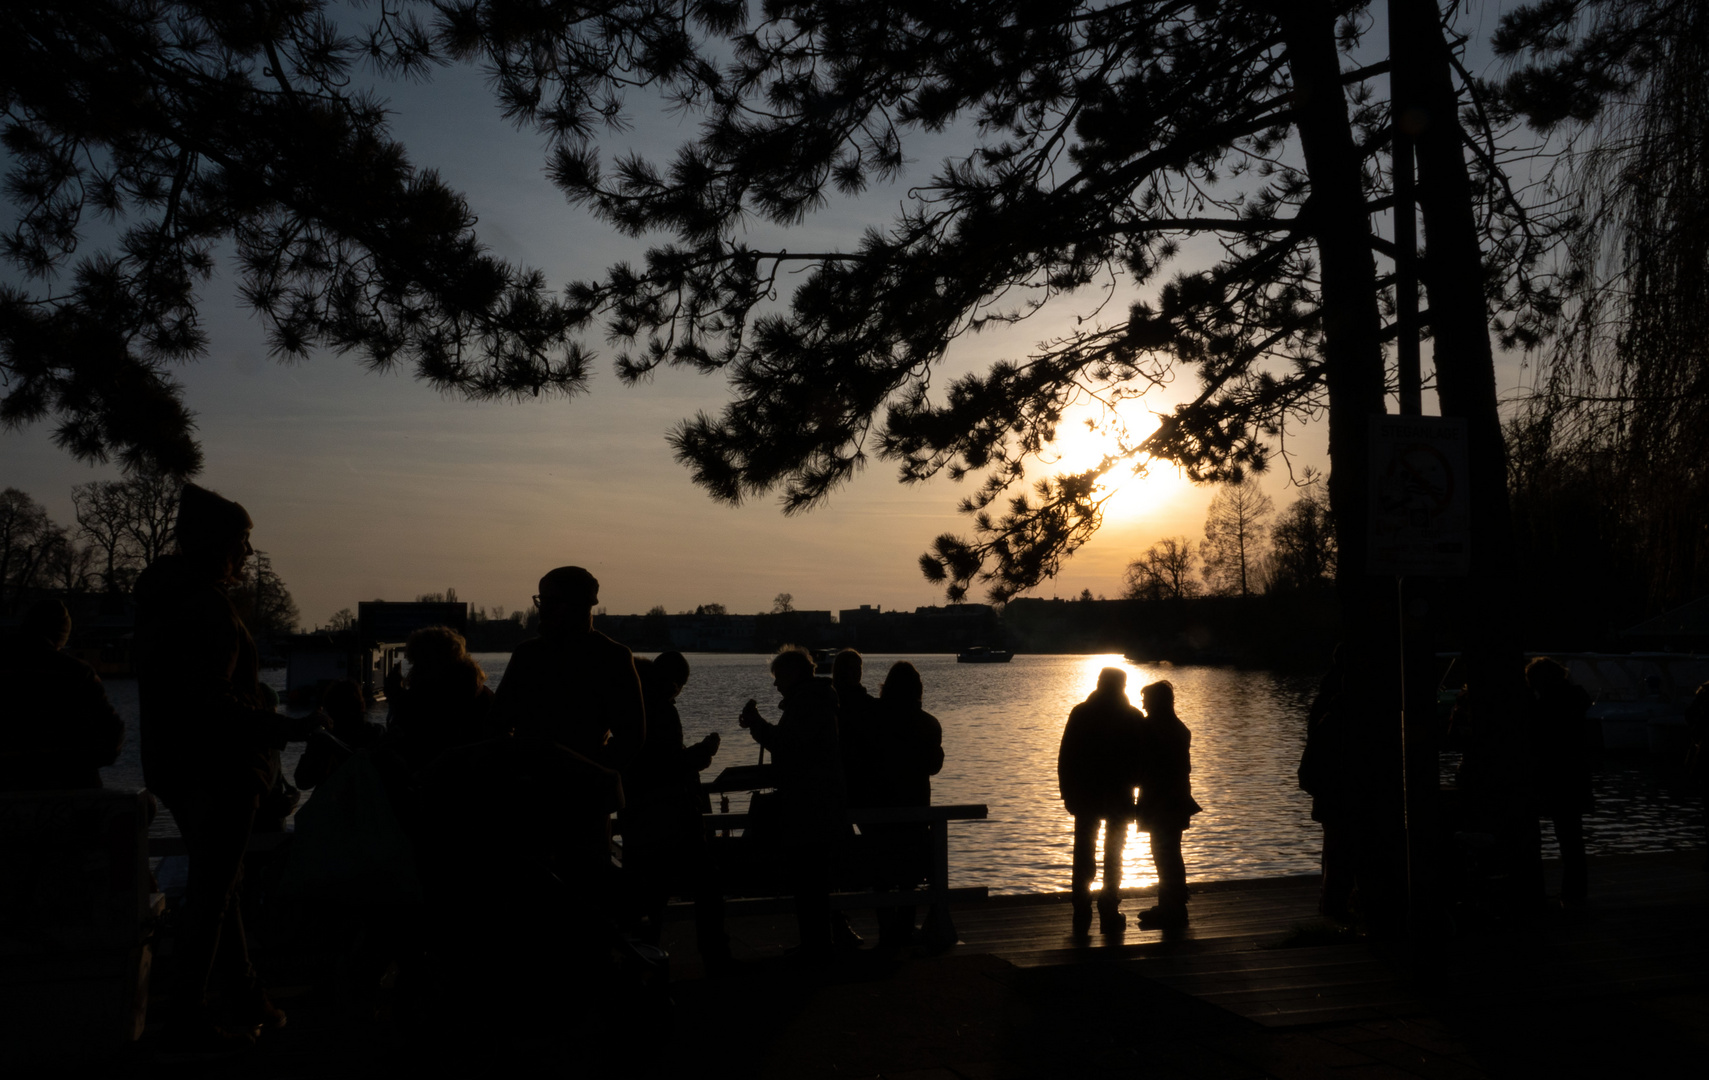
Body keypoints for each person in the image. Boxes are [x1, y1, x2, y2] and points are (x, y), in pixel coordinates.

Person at [133, 483, 290, 1054]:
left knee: (219, 887)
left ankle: (245, 996)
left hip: (174, 765)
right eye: (243, 542)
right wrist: (282, 728)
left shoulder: (162, 600)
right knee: (213, 895)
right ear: (220, 544)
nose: (249, 554)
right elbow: (213, 700)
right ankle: (187, 1018)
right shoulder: (205, 605)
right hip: (220, 769)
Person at [621, 653, 732, 972]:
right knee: (706, 883)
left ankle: (642, 962)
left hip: (641, 815)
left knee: (649, 895)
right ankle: (715, 955)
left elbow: (649, 760)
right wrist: (700, 755)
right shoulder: (662, 709)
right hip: (672, 815)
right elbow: (666, 765)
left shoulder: (634, 705)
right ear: (676, 684)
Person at [738, 645, 846, 960]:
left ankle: (816, 946)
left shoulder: (806, 703)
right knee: (813, 881)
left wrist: (757, 724)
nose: (775, 685)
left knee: (808, 881)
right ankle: (817, 943)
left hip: (807, 808)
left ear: (793, 674)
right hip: (819, 805)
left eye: (778, 677)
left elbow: (787, 747)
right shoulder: (817, 699)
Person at [495, 566, 644, 771]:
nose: (542, 609)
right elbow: (497, 724)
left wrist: (588, 774)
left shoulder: (529, 655)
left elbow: (631, 737)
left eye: (550, 602)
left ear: (578, 606)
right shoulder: (528, 654)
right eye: (541, 601)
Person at [0, 597, 124, 792]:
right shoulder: (77, 673)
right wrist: (83, 760)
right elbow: (111, 733)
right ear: (60, 637)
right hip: (71, 789)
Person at [1058, 667, 1144, 935]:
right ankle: (1109, 905)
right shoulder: (1132, 716)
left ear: (1099, 683)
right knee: (1114, 851)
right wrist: (1136, 790)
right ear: (1123, 685)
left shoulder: (1081, 713)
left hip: (1085, 794)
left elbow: (1066, 757)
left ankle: (1081, 904)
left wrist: (1067, 793)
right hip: (1119, 794)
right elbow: (1141, 761)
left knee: (1084, 850)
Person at [866, 661, 944, 948]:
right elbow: (933, 766)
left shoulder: (873, 718)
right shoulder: (928, 723)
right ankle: (906, 926)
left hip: (879, 805)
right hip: (915, 804)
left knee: (882, 875)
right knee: (909, 874)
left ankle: (886, 929)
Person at [383, 625, 502, 774]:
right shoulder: (481, 693)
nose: (413, 671)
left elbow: (413, 736)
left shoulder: (429, 699)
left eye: (416, 663)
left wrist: (396, 698)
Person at [1526, 657, 1594, 906]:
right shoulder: (1574, 700)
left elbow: (1540, 737)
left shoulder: (1548, 704)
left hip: (1558, 776)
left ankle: (1571, 891)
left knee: (1566, 835)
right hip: (1575, 776)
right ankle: (1574, 889)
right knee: (1571, 836)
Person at [1134, 680, 1202, 929]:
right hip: (1177, 798)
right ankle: (1172, 904)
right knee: (1171, 853)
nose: (1143, 705)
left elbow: (1144, 766)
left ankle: (1171, 908)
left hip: (1160, 800)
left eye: (1146, 700)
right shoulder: (1179, 728)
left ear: (1155, 702)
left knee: (1163, 854)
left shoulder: (1151, 727)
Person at [1298, 645, 1356, 920]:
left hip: (1327, 789)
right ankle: (1334, 906)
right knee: (1338, 847)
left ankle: (1331, 902)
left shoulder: (1324, 699)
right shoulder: (1337, 706)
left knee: (1333, 846)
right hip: (1338, 788)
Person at [293, 678, 384, 790]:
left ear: (330, 709)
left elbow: (303, 782)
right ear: (362, 705)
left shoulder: (322, 741)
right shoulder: (377, 734)